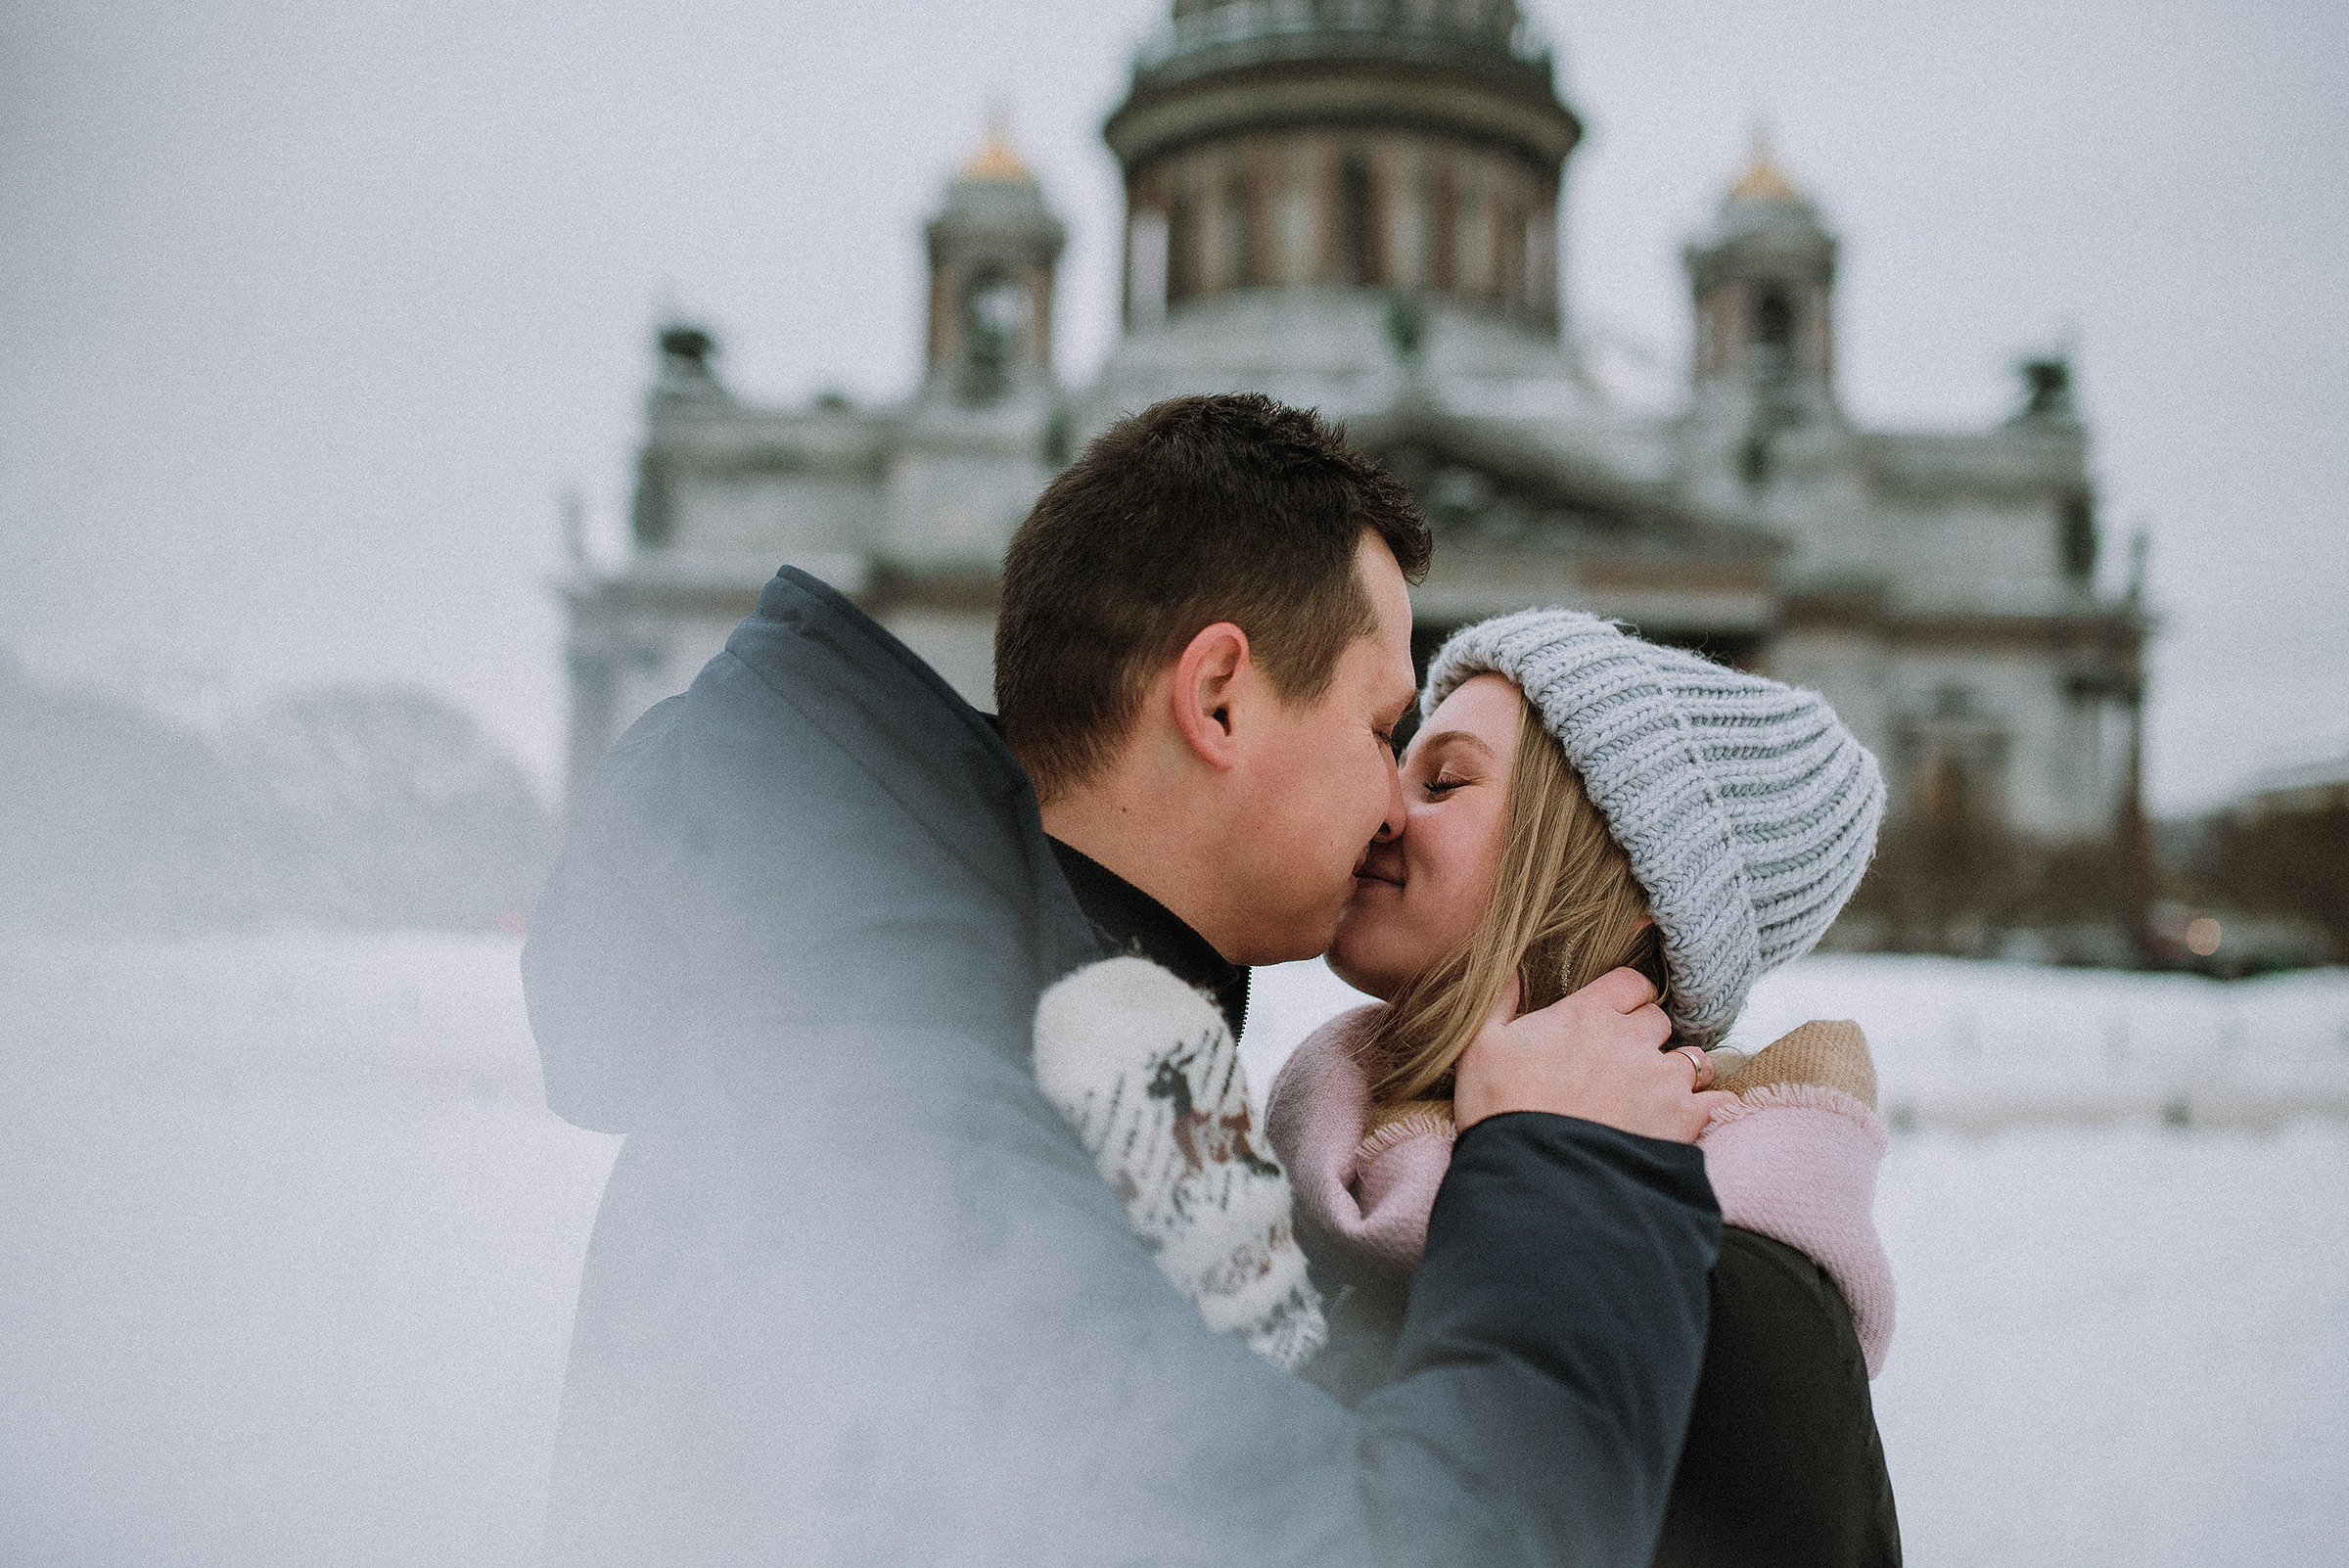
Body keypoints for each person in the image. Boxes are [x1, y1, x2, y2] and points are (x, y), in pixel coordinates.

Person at [523, 394, 1731, 1566]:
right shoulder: (896, 1092)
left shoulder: (956, 1021)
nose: (1389, 806)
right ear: (1218, 699)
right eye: (1381, 730)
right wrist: (1578, 1173)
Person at [1263, 610, 1901, 1566]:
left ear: (1631, 876)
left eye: (1442, 780)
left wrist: (1543, 1164)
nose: (1384, 809)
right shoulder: (1306, 1179)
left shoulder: (1738, 1296)